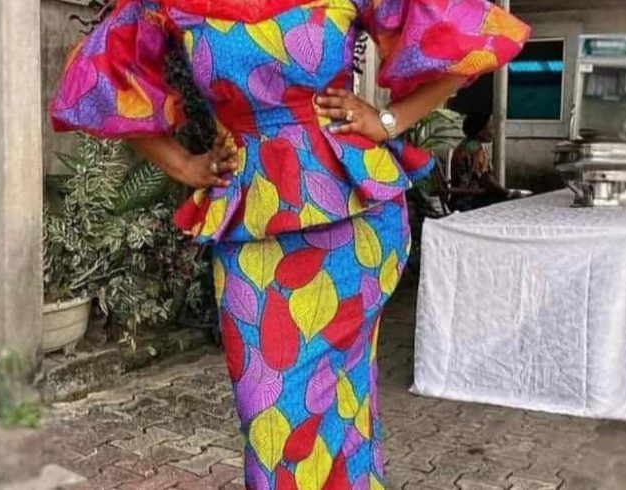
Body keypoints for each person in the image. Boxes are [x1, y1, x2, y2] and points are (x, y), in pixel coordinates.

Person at [50, 1, 529, 488]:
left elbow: (468, 33)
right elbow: (101, 74)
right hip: (250, 221)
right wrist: (184, 165)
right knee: (268, 409)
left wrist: (389, 121)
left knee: (342, 403)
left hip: (352, 217)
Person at [450, 112, 522, 211]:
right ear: (481, 131)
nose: (494, 131)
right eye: (491, 128)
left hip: (459, 199)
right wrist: (507, 193)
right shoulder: (476, 150)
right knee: (515, 202)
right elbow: (486, 180)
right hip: (468, 201)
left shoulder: (465, 144)